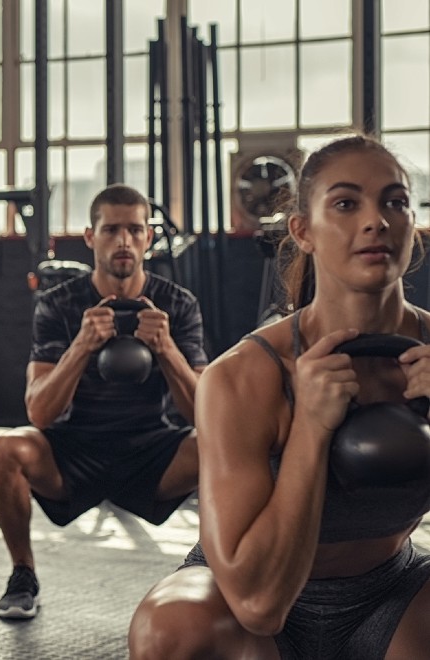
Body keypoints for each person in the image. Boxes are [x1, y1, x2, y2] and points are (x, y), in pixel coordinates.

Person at [128, 135, 430, 659]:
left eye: (395, 201)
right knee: (171, 630)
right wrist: (311, 428)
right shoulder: (243, 377)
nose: (376, 220)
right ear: (303, 231)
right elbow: (258, 603)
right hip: (247, 604)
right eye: (345, 203)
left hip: (392, 593)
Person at [0, 183, 207, 620]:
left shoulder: (178, 305)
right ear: (91, 237)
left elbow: (203, 413)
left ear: (149, 237)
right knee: (4, 451)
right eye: (111, 230)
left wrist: (167, 350)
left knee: (220, 444)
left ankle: (210, 570)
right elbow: (40, 412)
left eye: (135, 230)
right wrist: (82, 346)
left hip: (152, 449)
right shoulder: (58, 305)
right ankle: (22, 573)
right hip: (74, 449)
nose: (123, 241)